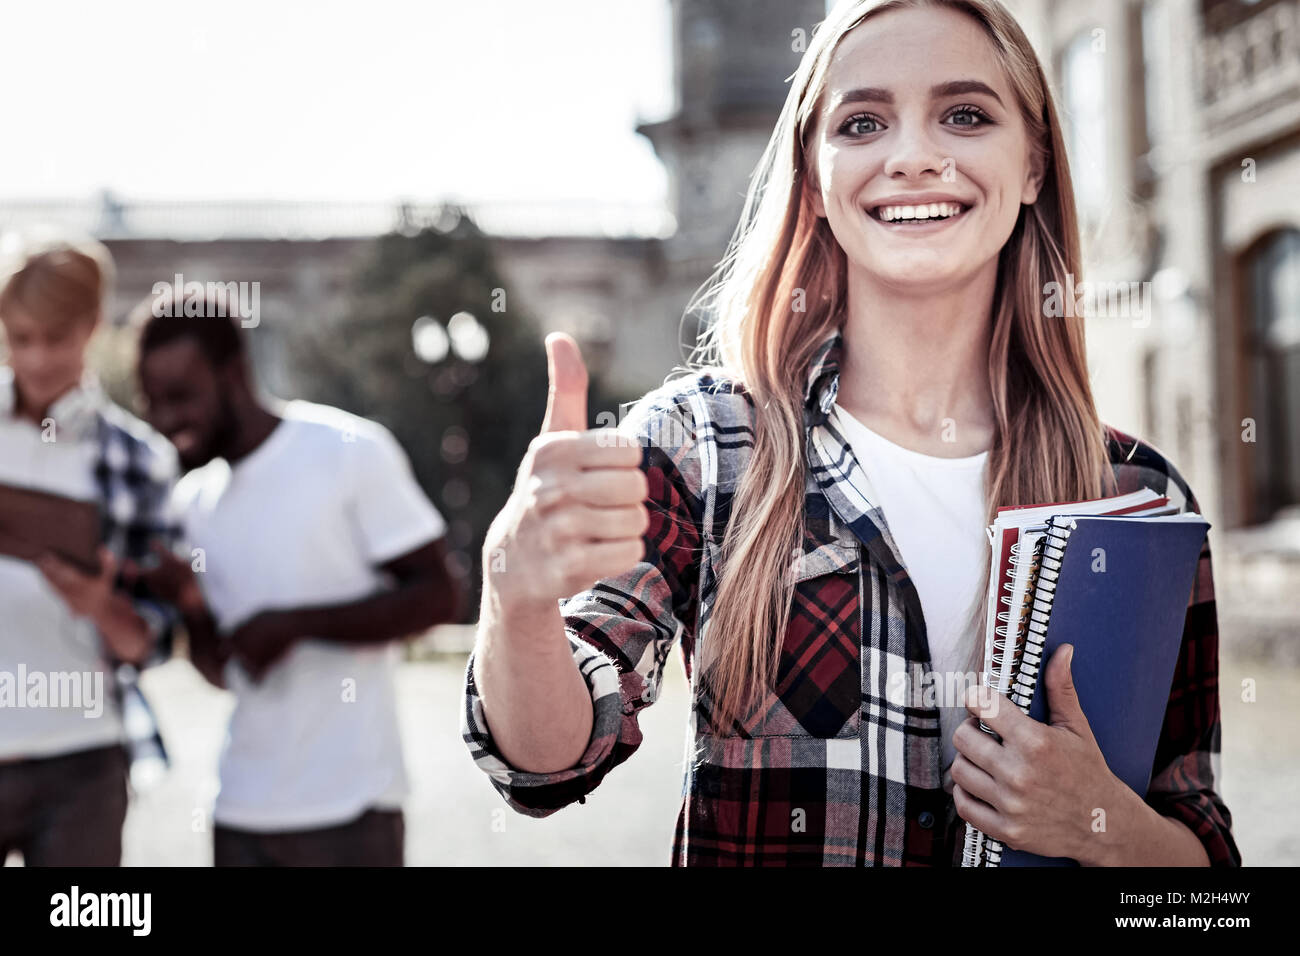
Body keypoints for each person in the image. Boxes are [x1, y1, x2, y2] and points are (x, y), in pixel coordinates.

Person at [461, 0, 1241, 866]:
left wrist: (1105, 825)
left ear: (1032, 166)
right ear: (815, 176)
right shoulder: (701, 444)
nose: (913, 157)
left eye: (967, 115)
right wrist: (517, 596)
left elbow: (1200, 873)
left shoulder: (1139, 496)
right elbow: (547, 763)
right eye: (863, 122)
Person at [133, 291, 466, 866]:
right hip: (238, 812)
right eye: (154, 402)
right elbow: (225, 674)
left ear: (233, 373)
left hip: (352, 811)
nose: (166, 422)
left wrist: (296, 625)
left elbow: (440, 595)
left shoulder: (345, 450)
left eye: (182, 397)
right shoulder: (193, 502)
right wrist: (189, 602)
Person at [0, 236, 177, 866]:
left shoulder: (139, 460)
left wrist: (100, 606)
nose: (37, 358)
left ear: (92, 327)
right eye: (20, 339)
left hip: (83, 762)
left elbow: (155, 640)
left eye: (56, 338)